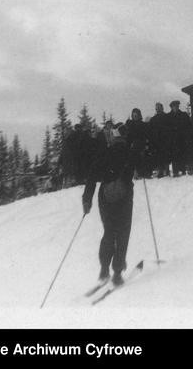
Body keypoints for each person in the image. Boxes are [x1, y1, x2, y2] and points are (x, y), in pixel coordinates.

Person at [82, 121, 133, 286]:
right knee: (123, 233)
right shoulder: (129, 152)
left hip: (105, 197)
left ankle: (104, 269)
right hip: (124, 196)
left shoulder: (105, 152)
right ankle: (117, 272)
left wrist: (87, 199)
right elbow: (143, 166)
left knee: (109, 232)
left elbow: (91, 176)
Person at [167, 100, 193, 176]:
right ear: (171, 107)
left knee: (182, 154)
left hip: (182, 139)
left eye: (177, 106)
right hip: (173, 139)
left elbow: (189, 126)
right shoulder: (168, 116)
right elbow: (166, 128)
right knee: (174, 155)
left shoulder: (184, 115)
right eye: (174, 106)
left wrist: (188, 136)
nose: (176, 107)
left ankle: (183, 170)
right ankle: (175, 171)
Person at [124, 108, 151, 179]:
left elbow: (146, 135)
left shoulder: (143, 124)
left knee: (143, 157)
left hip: (141, 144)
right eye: (134, 114)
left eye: (136, 114)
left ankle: (143, 172)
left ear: (139, 115)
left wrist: (146, 144)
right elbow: (128, 136)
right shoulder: (130, 124)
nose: (135, 116)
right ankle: (134, 173)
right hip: (132, 144)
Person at [147, 103, 171, 178]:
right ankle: (160, 171)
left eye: (159, 108)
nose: (157, 109)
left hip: (166, 140)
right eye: (156, 108)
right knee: (159, 156)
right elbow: (150, 131)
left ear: (162, 108)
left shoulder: (167, 117)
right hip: (157, 141)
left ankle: (167, 170)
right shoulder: (153, 119)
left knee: (166, 156)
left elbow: (170, 129)